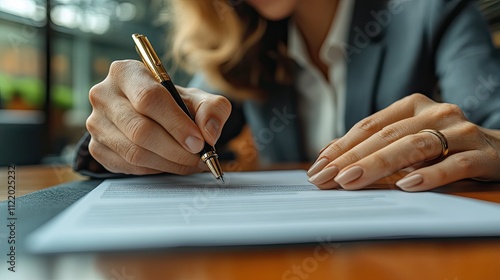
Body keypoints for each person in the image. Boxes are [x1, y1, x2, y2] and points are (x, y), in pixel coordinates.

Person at [75, 0, 500, 191]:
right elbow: (181, 117)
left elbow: (491, 129)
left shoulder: (435, 10)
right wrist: (133, 126)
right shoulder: (239, 45)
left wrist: (486, 142)